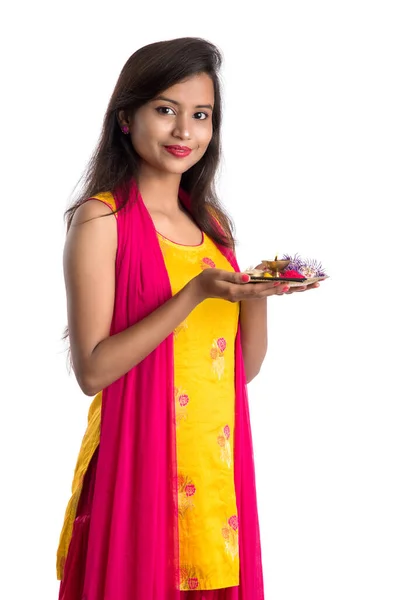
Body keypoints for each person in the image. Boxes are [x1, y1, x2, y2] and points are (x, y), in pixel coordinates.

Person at [56, 37, 318, 600]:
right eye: (165, 110)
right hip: (141, 467)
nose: (184, 132)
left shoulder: (212, 229)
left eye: (201, 115)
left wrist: (259, 294)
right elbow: (92, 372)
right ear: (126, 117)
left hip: (214, 471)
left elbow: (237, 373)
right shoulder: (102, 220)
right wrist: (193, 293)